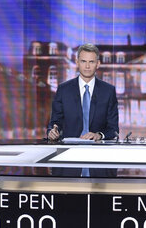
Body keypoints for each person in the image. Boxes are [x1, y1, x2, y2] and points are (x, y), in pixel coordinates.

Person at [46, 43, 119, 177]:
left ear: (98, 64)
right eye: (83, 61)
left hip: (99, 161)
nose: (87, 66)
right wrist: (52, 131)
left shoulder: (108, 91)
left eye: (91, 62)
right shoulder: (63, 90)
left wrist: (99, 135)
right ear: (77, 62)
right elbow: (55, 122)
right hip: (68, 158)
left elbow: (113, 129)